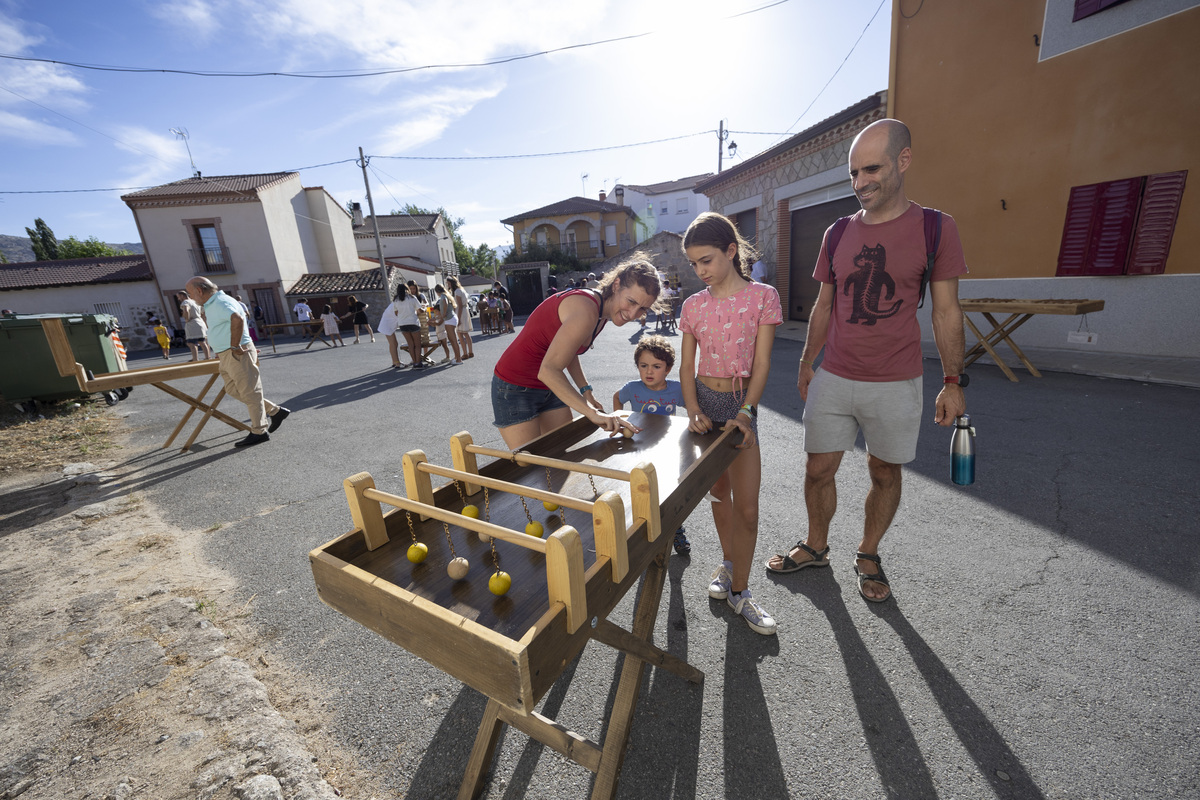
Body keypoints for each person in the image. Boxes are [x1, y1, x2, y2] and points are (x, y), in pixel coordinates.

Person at [763, 119, 968, 604]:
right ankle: (816, 545)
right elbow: (823, 305)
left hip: (897, 379)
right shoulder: (836, 233)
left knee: (884, 472)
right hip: (834, 373)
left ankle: (869, 552)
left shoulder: (936, 228)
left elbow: (946, 310)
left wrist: (954, 381)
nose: (859, 183)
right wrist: (807, 361)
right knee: (818, 469)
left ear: (904, 160)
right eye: (854, 173)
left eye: (871, 169)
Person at [679, 211, 782, 636]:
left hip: (741, 406)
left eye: (707, 260)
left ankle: (741, 592)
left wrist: (748, 411)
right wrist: (692, 410)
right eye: (694, 264)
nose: (701, 271)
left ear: (731, 251)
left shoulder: (763, 297)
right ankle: (728, 568)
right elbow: (686, 367)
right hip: (705, 404)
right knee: (718, 495)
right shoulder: (692, 305)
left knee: (749, 507)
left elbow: (761, 363)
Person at [491, 259, 661, 448]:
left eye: (642, 308)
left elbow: (567, 350)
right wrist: (592, 413)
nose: (632, 314)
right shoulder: (586, 310)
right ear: (616, 285)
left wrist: (585, 391)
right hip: (514, 387)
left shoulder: (603, 312)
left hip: (547, 386)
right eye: (631, 302)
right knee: (530, 467)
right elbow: (548, 370)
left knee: (561, 451)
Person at [184, 277, 289, 448]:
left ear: (200, 291)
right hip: (227, 354)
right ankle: (275, 411)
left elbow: (237, 318)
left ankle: (259, 431)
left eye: (190, 293)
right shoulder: (213, 303)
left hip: (234, 352)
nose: (190, 297)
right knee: (233, 390)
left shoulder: (220, 302)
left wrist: (236, 345)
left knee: (250, 392)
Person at [612, 334, 691, 556]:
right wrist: (621, 418)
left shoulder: (676, 389)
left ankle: (675, 528)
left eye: (656, 366)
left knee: (669, 490)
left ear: (668, 369)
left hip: (666, 449)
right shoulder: (633, 388)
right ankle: (641, 530)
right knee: (640, 490)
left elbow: (692, 406)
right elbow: (617, 397)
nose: (649, 371)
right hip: (638, 449)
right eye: (643, 365)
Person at [393, 283, 423, 369]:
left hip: (402, 324)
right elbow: (419, 310)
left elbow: (396, 313)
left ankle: (414, 362)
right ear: (407, 289)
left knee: (410, 344)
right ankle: (418, 362)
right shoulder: (412, 298)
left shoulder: (396, 300)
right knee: (417, 344)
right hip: (413, 322)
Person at [176, 290, 212, 361]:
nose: (178, 299)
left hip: (192, 323)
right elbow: (203, 312)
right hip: (200, 322)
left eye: (179, 297)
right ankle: (207, 357)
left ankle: (195, 359)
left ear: (182, 296)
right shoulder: (195, 302)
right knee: (202, 341)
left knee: (191, 343)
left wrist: (187, 318)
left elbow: (186, 310)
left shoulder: (186, 302)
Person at [433, 284, 464, 365]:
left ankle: (459, 359)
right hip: (451, 318)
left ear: (437, 292)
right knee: (452, 340)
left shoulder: (443, 296)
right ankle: (457, 357)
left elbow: (445, 303)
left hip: (449, 320)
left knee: (453, 340)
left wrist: (443, 314)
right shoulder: (447, 295)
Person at [447, 276, 474, 359]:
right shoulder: (461, 290)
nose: (448, 285)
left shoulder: (457, 291)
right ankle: (470, 352)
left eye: (449, 283)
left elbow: (459, 305)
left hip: (461, 312)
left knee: (460, 333)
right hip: (464, 311)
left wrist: (457, 318)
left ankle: (465, 353)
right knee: (465, 333)